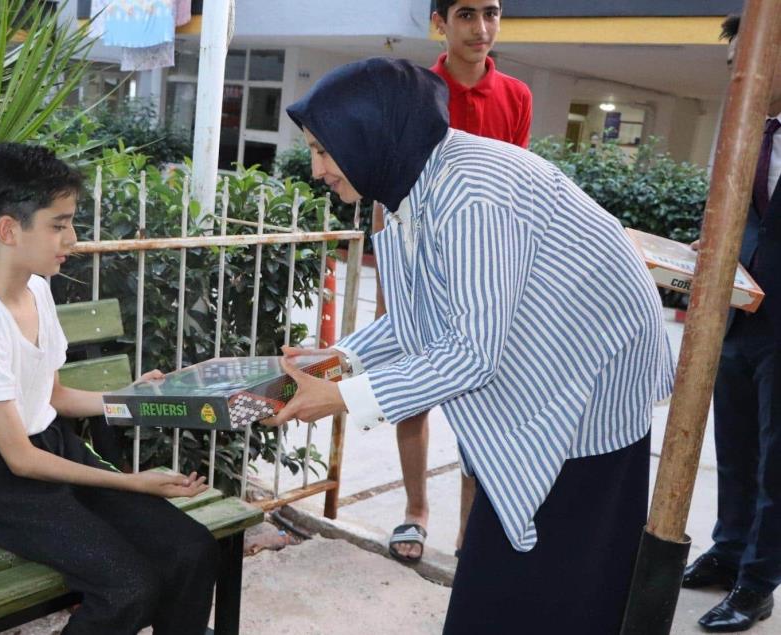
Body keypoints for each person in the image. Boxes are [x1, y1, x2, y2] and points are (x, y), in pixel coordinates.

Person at [272, 57, 674, 634]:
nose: (317, 169)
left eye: (324, 150)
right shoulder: (413, 183)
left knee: (563, 572)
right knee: (508, 560)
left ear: (371, 134)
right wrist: (339, 362)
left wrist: (339, 399)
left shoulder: (469, 195)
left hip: (591, 376)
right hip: (543, 363)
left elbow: (469, 353)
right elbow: (427, 317)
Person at [0, 142, 219, 635]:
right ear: (9, 229)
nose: (72, 238)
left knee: (191, 549)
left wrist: (135, 398)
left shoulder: (38, 289)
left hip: (56, 451)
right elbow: (20, 459)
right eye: (58, 224)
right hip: (2, 483)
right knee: (130, 587)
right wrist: (132, 481)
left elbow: (55, 397)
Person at [385, 0, 533, 565]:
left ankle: (472, 536)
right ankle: (415, 509)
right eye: (467, 14)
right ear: (441, 23)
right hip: (420, 264)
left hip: (484, 272)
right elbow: (388, 180)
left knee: (483, 396)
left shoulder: (516, 96)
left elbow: (517, 190)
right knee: (412, 394)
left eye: (491, 13)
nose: (482, 27)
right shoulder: (413, 88)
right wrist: (394, 285)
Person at [681, 14, 781, 633]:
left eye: (748, 57)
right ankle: (727, 549)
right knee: (735, 446)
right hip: (738, 314)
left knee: (777, 458)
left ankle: (758, 578)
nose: (736, 73)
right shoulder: (748, 131)